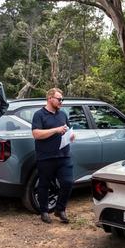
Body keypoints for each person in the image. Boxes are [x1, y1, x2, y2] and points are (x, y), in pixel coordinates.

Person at [31, 88, 75, 224]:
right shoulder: (39, 115)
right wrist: (56, 130)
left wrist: (71, 135)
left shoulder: (63, 114)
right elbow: (36, 134)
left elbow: (68, 129)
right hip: (46, 157)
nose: (61, 101)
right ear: (50, 98)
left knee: (68, 182)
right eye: (59, 99)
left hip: (64, 155)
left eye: (62, 99)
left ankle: (60, 209)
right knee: (44, 185)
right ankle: (44, 211)